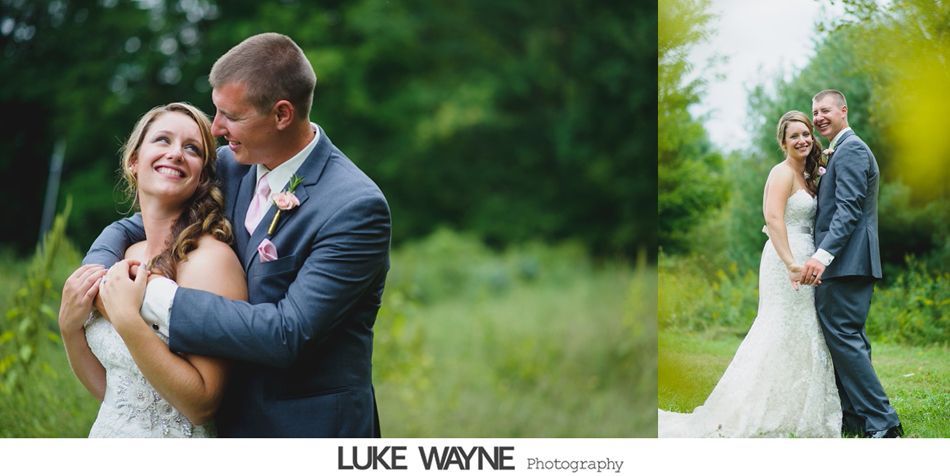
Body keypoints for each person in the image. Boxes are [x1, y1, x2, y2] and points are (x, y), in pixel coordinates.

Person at [79, 33, 391, 437]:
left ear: (282, 115)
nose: (216, 128)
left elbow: (287, 333)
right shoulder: (229, 165)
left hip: (304, 430)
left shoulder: (354, 207)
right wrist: (99, 274)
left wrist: (151, 296)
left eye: (232, 116)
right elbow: (140, 222)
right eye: (216, 111)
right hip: (220, 426)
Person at [58, 102, 247, 437]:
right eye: (163, 140)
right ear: (133, 161)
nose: (176, 153)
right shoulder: (126, 254)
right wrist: (69, 328)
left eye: (192, 148)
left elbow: (203, 405)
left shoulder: (210, 262)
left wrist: (128, 320)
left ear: (202, 176)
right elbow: (114, 393)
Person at [658, 111, 841, 437]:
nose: (801, 140)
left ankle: (794, 406)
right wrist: (790, 264)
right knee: (777, 324)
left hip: (806, 254)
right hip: (785, 257)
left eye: (806, 134)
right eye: (794, 135)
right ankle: (754, 407)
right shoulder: (781, 173)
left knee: (803, 327)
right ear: (783, 142)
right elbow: (773, 219)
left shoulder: (808, 174)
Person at [802, 89, 902, 438]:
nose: (818, 118)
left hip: (847, 262)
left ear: (843, 110)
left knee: (844, 338)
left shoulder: (853, 149)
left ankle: (884, 422)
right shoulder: (840, 150)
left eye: (825, 110)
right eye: (814, 113)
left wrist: (821, 256)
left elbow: (849, 210)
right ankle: (858, 418)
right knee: (847, 339)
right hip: (846, 262)